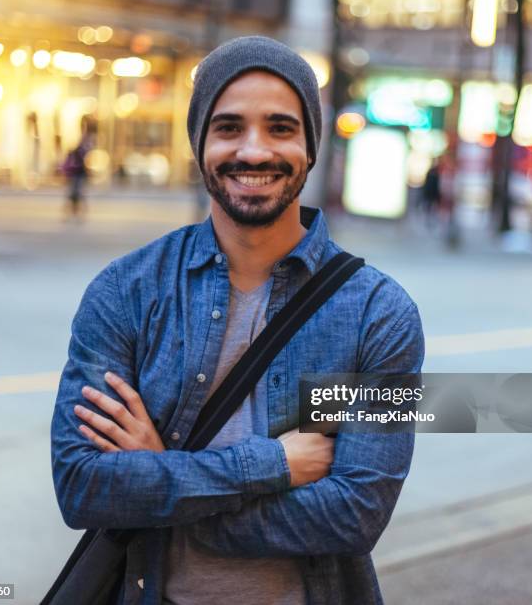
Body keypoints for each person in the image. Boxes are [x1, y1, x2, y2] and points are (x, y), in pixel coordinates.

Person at [51, 36, 424, 605]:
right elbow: (82, 488)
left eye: (280, 127)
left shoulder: (381, 314)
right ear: (200, 144)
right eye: (228, 128)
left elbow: (354, 516)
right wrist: (271, 464)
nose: (253, 152)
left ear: (309, 146)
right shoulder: (125, 291)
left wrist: (161, 478)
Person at [63, 119, 94, 219]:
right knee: (76, 193)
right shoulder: (80, 147)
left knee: (75, 193)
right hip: (77, 173)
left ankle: (75, 212)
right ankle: (75, 211)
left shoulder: (79, 147)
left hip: (76, 173)